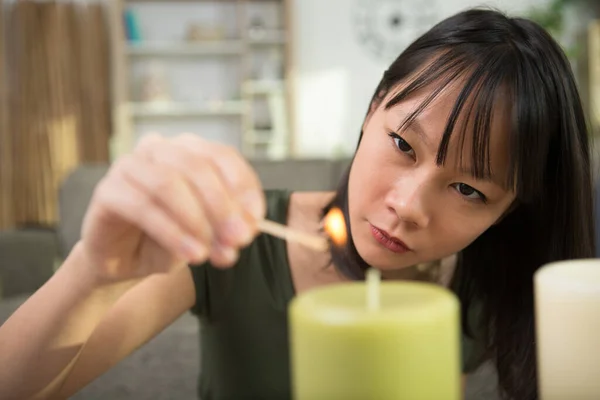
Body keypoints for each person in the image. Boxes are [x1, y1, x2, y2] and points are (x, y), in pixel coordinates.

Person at [0, 8, 595, 400]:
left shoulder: (488, 283)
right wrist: (92, 273)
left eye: (470, 189)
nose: (408, 205)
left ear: (509, 211)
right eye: (402, 144)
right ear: (370, 111)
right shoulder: (230, 237)